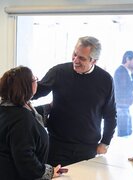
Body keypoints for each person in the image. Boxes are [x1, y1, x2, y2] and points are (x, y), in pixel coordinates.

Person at [32, 36, 117, 166]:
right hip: (57, 145)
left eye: (81, 58)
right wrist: (15, 88)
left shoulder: (105, 80)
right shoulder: (58, 72)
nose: (75, 60)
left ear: (94, 61)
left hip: (87, 148)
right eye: (74, 54)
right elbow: (36, 91)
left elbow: (110, 114)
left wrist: (105, 142)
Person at [0, 66, 64, 180]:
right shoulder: (21, 119)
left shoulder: (8, 107)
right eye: (35, 79)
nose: (37, 82)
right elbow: (25, 158)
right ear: (26, 86)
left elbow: (33, 116)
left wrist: (49, 107)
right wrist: (48, 172)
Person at [113, 51, 133, 137]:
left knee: (127, 133)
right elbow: (129, 89)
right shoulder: (121, 71)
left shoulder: (123, 71)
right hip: (122, 107)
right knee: (124, 135)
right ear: (127, 59)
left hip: (123, 107)